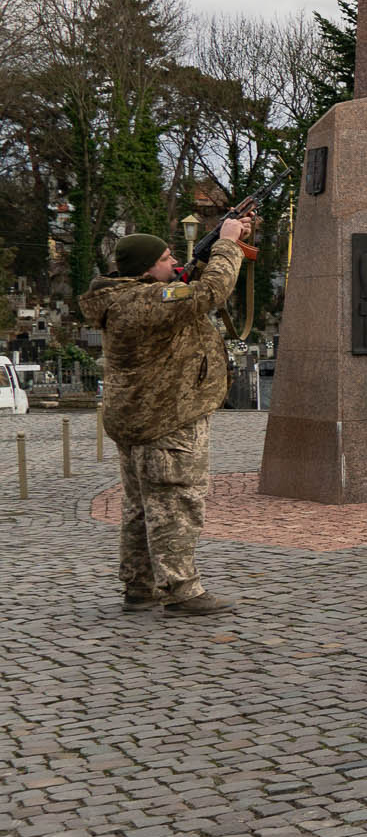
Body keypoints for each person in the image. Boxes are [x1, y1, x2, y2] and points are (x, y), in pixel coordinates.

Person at [80, 222, 249, 616]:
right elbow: (210, 292)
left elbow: (185, 289)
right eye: (164, 259)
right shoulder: (145, 300)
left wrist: (205, 257)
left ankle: (139, 587)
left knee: (141, 506)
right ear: (144, 270)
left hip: (139, 416)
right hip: (168, 417)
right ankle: (181, 589)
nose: (174, 263)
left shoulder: (124, 297)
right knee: (176, 501)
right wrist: (227, 244)